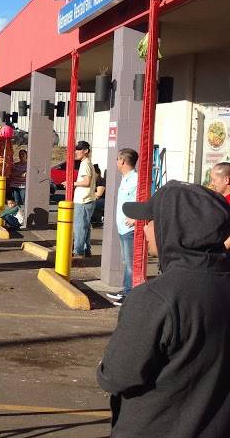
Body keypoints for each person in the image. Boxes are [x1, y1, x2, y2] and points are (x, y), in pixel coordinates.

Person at [97, 181, 230, 437]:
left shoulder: (155, 298)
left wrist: (104, 364)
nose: (145, 228)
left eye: (151, 220)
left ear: (174, 227)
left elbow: (117, 376)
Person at [106, 148, 138, 306]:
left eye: (118, 159)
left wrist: (136, 219)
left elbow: (145, 201)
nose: (116, 162)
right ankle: (125, 290)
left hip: (130, 230)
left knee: (131, 263)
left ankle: (130, 294)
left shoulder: (136, 180)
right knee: (126, 261)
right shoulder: (125, 178)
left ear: (123, 161)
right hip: (122, 228)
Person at [71, 140, 97, 257]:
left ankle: (78, 251)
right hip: (87, 200)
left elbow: (87, 182)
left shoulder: (85, 164)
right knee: (85, 226)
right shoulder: (87, 163)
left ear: (86, 151)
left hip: (83, 200)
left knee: (80, 227)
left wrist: (73, 183)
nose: (76, 151)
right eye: (76, 149)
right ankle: (86, 249)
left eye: (79, 149)